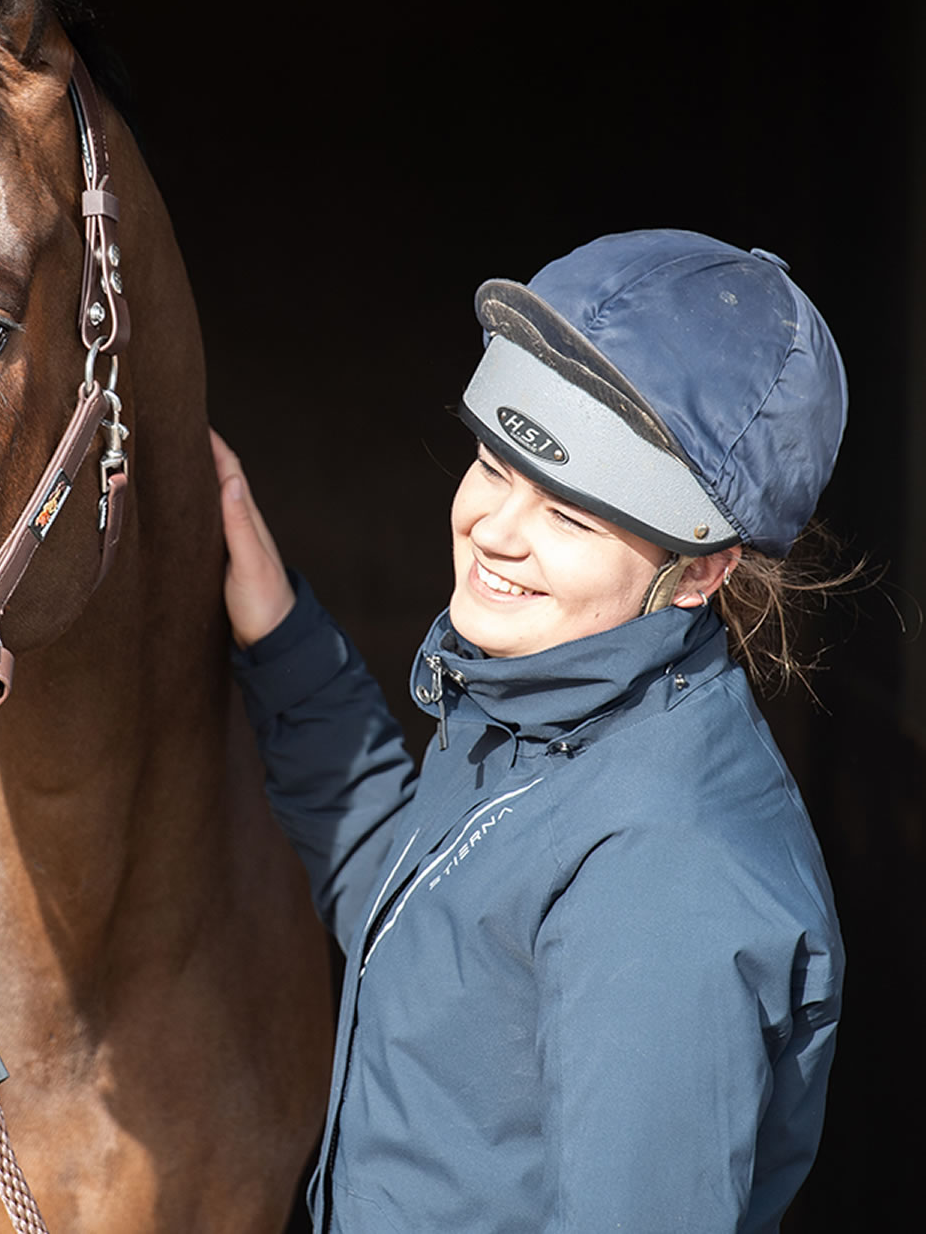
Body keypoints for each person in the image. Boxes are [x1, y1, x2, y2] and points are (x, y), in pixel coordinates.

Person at [213, 229, 847, 1233]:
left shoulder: (663, 873)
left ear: (702, 570)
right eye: (492, 465)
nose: (496, 531)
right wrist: (281, 635)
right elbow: (423, 919)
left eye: (573, 516)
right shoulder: (549, 712)